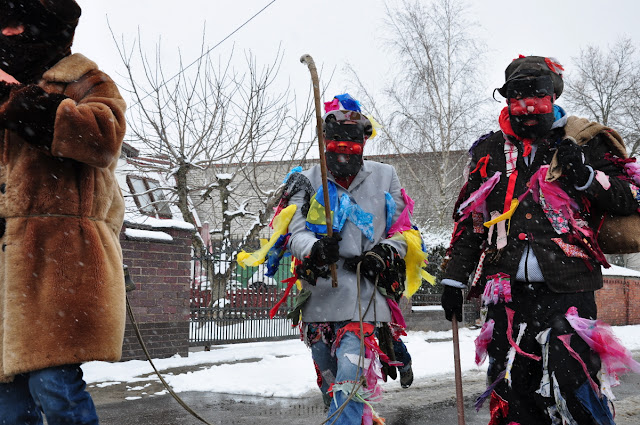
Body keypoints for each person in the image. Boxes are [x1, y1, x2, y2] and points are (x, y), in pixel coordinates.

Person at [440, 55, 640, 425]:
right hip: (506, 292)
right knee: (515, 389)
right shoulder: (488, 152)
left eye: (538, 96)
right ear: (506, 100)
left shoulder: (585, 141)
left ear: (554, 95)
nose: (528, 107)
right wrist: (454, 276)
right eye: (517, 97)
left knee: (571, 384)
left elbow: (632, 196)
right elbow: (471, 222)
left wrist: (585, 175)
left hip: (568, 289)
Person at [238, 93, 428, 424]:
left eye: (352, 144)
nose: (344, 151)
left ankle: (389, 359)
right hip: (320, 301)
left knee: (351, 384)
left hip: (366, 298)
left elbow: (405, 233)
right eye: (337, 143)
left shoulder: (386, 177)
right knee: (332, 389)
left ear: (364, 143)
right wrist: (314, 248)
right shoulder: (305, 180)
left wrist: (385, 251)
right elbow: (294, 233)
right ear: (325, 142)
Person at [0, 1, 127, 424]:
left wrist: (16, 101)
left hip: (58, 265)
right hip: (6, 273)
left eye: (16, 26)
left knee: (53, 385)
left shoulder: (83, 79)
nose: (7, 35)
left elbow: (103, 138)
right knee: (9, 403)